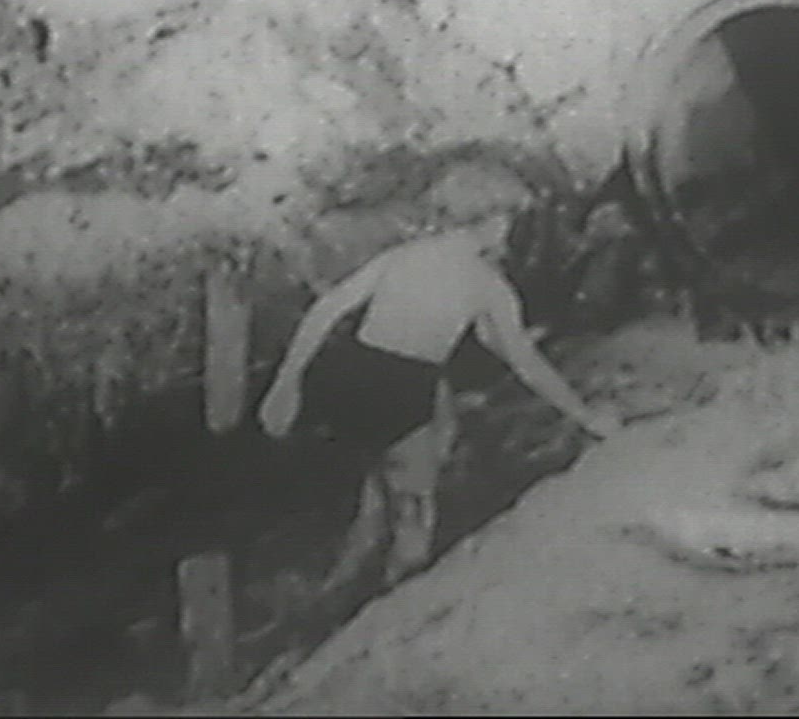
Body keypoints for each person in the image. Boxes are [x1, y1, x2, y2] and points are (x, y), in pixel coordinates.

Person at [257, 211, 621, 590]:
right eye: (508, 222)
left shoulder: (404, 255)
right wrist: (587, 416)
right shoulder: (485, 283)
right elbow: (526, 365)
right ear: (493, 223)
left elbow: (327, 310)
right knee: (415, 511)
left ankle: (343, 575)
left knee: (389, 468)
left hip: (353, 380)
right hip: (403, 390)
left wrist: (285, 384)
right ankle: (394, 598)